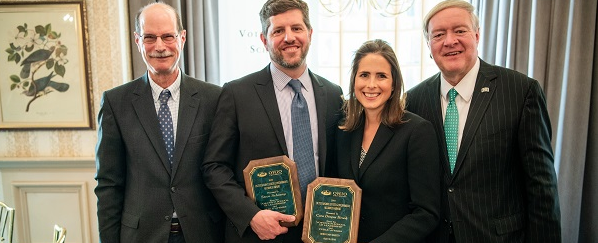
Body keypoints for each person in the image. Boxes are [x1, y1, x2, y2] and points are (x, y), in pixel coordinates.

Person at [406, 0, 561, 242]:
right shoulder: (414, 100)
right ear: (429, 45)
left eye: (459, 30)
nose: (450, 41)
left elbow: (542, 187)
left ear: (477, 35)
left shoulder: (520, 92)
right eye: (439, 34)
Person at [201, 0, 343, 242]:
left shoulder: (332, 94)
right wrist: (251, 216)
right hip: (261, 234)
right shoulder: (237, 94)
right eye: (278, 31)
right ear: (264, 39)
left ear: (309, 33)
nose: (289, 37)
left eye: (297, 28)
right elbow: (214, 167)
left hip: (320, 233)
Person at [94, 2, 224, 242]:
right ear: (137, 40)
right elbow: (109, 185)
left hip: (203, 233)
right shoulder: (115, 103)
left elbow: (224, 173)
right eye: (150, 37)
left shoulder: (214, 99)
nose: (160, 47)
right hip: (141, 235)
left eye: (168, 36)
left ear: (182, 38)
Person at [336, 39, 440, 243]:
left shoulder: (416, 131)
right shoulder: (344, 130)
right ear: (354, 81)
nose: (371, 85)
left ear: (394, 85)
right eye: (364, 75)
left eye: (381, 76)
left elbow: (426, 213)